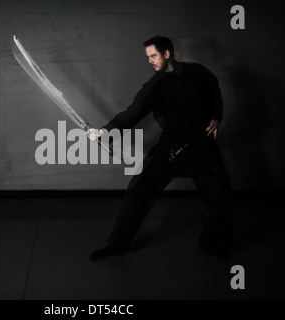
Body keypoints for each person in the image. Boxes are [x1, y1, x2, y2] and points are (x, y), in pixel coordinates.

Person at [86, 36, 233, 260]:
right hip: (171, 148)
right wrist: (104, 132)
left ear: (167, 54)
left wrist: (216, 116)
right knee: (138, 192)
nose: (150, 61)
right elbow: (131, 114)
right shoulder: (155, 85)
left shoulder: (199, 72)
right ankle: (118, 245)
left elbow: (215, 92)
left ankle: (214, 245)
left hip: (203, 147)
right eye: (148, 57)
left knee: (220, 196)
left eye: (153, 56)